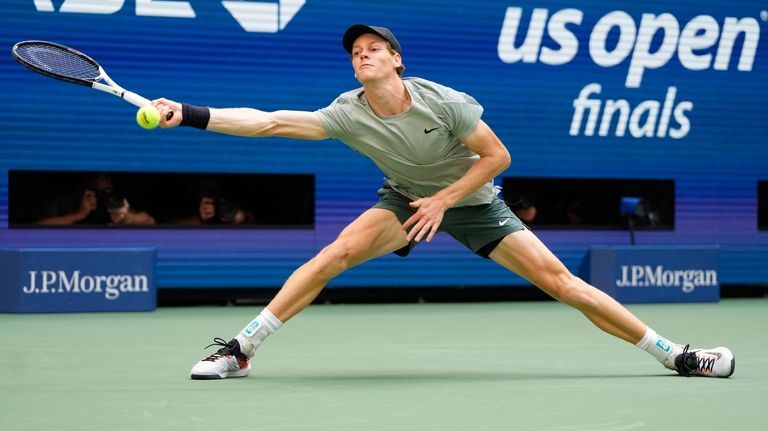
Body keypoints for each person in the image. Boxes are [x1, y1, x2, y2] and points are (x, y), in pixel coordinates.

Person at [153, 24, 734, 380]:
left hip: (475, 202)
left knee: (562, 283)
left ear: (397, 59)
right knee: (331, 256)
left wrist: (444, 200)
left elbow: (498, 156)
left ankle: (676, 354)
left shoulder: (444, 102)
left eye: (375, 48)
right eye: (356, 50)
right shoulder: (347, 111)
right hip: (404, 200)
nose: (363, 55)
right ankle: (243, 348)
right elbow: (272, 122)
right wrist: (190, 114)